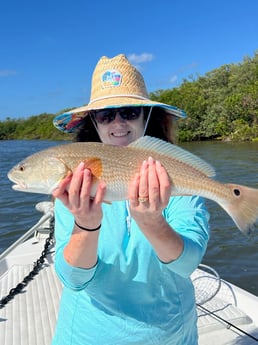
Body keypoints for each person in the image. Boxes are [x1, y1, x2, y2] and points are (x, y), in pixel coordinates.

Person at [51, 54, 210, 345]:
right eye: (105, 115)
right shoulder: (74, 185)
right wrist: (85, 225)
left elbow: (187, 265)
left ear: (146, 116)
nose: (118, 123)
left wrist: (152, 223)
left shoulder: (176, 175)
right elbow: (74, 280)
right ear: (94, 123)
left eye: (128, 111)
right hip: (87, 336)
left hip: (170, 336)